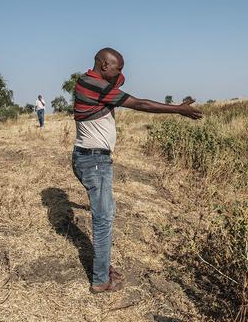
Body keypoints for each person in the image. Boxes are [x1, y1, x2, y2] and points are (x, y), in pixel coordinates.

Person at [71, 47, 202, 293]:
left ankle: (103, 266)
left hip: (87, 158)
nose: (121, 73)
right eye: (117, 68)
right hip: (94, 161)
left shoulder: (89, 79)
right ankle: (100, 280)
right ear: (103, 67)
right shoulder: (96, 85)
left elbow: (119, 80)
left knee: (106, 213)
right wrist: (178, 110)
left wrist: (116, 72)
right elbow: (140, 103)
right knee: (103, 219)